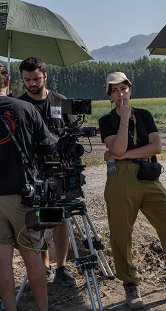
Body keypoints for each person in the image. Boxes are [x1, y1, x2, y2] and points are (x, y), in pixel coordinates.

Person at [99, 72, 166, 310]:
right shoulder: (106, 121)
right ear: (109, 95)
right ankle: (130, 286)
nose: (121, 94)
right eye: (115, 90)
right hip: (120, 177)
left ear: (130, 89)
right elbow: (117, 149)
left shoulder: (145, 115)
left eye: (124, 89)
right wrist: (124, 119)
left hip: (147, 174)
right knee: (121, 233)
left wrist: (124, 154)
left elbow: (157, 145)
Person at [0, 61, 55, 311]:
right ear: (9, 82)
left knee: (2, 260)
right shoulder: (25, 108)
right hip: (21, 194)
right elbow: (49, 145)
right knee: (32, 255)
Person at [18, 56, 77, 287]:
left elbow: (74, 131)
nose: (32, 83)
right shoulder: (19, 105)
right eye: (27, 79)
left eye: (36, 79)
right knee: (39, 220)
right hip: (32, 174)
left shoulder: (61, 101)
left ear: (46, 76)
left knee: (61, 219)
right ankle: (45, 265)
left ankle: (62, 266)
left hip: (60, 171)